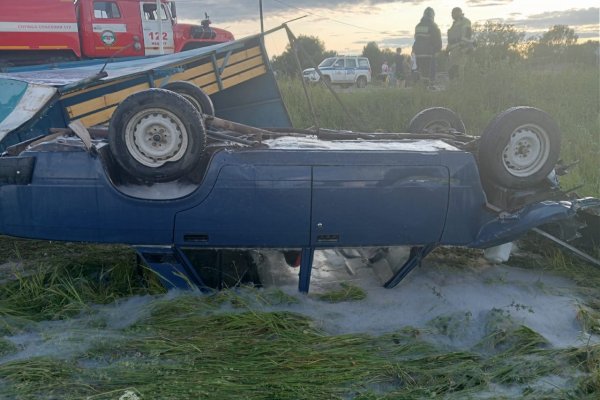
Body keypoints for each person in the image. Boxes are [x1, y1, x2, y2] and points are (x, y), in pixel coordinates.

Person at [412, 7, 442, 84]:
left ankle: (417, 86)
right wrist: (438, 50)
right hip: (428, 53)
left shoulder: (418, 26)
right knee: (429, 72)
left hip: (417, 53)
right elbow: (437, 39)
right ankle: (428, 86)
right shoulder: (433, 25)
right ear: (432, 15)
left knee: (418, 70)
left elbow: (416, 38)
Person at [447, 7, 473, 80]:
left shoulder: (465, 21)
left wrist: (464, 47)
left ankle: (462, 87)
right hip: (453, 49)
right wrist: (447, 49)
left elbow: (467, 35)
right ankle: (454, 86)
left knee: (460, 68)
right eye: (451, 13)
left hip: (461, 48)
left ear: (458, 13)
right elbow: (451, 38)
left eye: (453, 13)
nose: (452, 15)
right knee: (452, 69)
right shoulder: (454, 23)